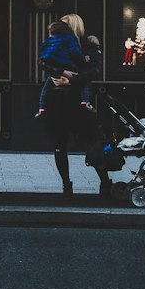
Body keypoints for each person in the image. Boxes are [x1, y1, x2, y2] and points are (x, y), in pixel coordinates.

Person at [38, 12, 112, 199]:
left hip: (79, 100)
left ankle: (104, 180)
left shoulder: (89, 45)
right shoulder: (57, 43)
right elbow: (44, 63)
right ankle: (66, 184)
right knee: (59, 144)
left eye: (64, 24)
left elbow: (94, 71)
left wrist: (72, 80)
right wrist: (61, 72)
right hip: (59, 101)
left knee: (91, 143)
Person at [36, 21, 91, 115]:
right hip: (68, 66)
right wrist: (83, 59)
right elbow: (75, 52)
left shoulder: (48, 41)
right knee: (84, 83)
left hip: (53, 68)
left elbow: (42, 56)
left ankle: (41, 107)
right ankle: (85, 101)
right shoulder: (70, 39)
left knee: (45, 88)